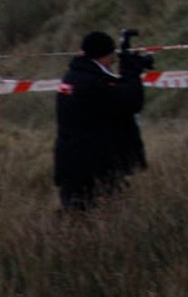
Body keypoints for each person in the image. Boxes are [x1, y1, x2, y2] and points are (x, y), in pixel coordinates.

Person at [54, 30, 150, 210]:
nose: (114, 59)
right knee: (96, 216)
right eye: (112, 54)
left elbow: (110, 99)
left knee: (75, 215)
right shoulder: (92, 83)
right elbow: (132, 101)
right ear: (104, 55)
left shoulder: (73, 76)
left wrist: (126, 73)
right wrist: (132, 73)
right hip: (93, 166)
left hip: (72, 161)